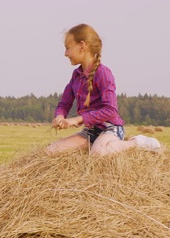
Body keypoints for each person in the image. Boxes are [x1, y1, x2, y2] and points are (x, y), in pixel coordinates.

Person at [46, 23, 161, 156]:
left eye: (68, 48)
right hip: (90, 132)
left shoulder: (103, 73)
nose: (65, 54)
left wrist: (78, 119)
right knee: (51, 151)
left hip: (110, 129)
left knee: (99, 153)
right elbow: (64, 103)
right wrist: (60, 116)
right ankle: (95, 144)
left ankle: (136, 143)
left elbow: (110, 110)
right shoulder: (76, 75)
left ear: (82, 46)